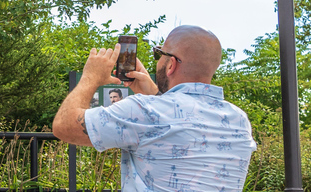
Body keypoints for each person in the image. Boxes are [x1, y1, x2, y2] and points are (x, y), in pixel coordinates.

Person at [51, 25, 256, 191]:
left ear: (171, 64)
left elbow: (64, 126)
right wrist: (156, 95)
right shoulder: (239, 120)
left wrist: (90, 77)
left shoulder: (144, 110)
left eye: (159, 54)